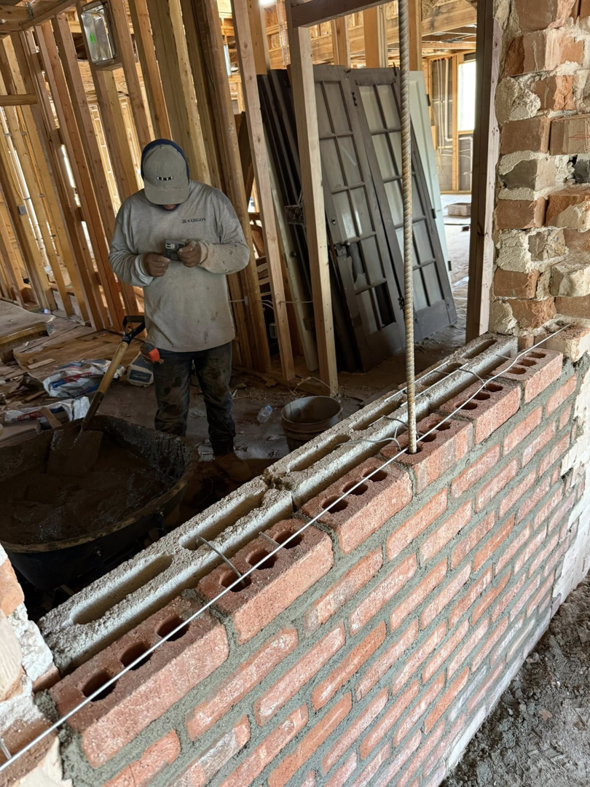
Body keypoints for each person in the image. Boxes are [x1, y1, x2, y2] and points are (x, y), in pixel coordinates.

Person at [108, 139, 253, 483]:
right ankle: (173, 469)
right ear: (146, 182)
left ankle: (225, 453)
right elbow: (118, 260)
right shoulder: (131, 210)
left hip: (213, 328)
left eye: (176, 193)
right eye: (162, 195)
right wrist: (141, 264)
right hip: (165, 334)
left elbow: (240, 254)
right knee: (171, 408)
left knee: (219, 397)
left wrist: (205, 254)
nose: (170, 202)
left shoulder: (212, 200)